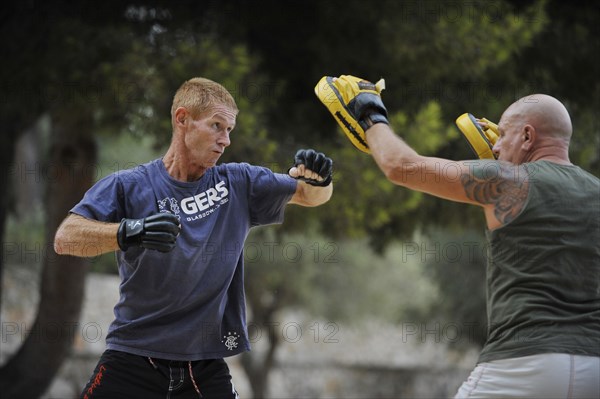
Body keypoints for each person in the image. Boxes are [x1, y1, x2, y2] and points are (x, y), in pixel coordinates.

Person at [316, 76, 599, 398]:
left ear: (528, 135)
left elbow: (401, 166)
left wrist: (370, 113)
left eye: (502, 134)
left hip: (523, 362)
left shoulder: (507, 180)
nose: (493, 146)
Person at [54, 77, 333, 399]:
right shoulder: (128, 185)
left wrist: (322, 179)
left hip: (203, 366)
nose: (225, 140)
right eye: (217, 126)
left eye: (229, 130)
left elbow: (310, 195)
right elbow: (66, 238)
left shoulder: (239, 182)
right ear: (182, 119)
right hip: (132, 357)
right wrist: (130, 231)